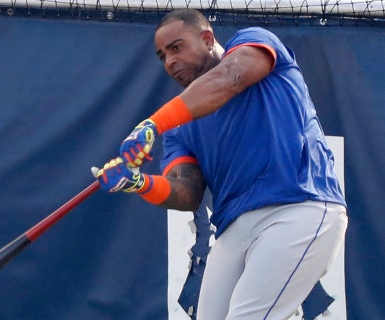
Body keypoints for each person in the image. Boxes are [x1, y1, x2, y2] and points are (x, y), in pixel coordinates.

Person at [92, 9, 348, 320]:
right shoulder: (178, 127)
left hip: (299, 207)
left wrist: (152, 124)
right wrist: (139, 183)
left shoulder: (254, 41)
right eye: (162, 56)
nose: (169, 62)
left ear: (208, 39)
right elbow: (188, 193)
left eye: (176, 47)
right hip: (233, 229)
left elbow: (230, 78)